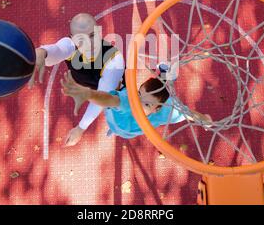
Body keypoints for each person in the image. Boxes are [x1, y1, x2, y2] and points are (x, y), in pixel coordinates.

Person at [29, 13, 125, 146]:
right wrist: (41, 52)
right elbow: (56, 50)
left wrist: (80, 128)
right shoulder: (69, 45)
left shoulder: (114, 60)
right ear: (73, 38)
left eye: (92, 35)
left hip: (112, 89)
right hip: (89, 84)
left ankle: (118, 128)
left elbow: (103, 97)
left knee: (117, 111)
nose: (89, 43)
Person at [60, 71, 212, 139]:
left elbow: (188, 114)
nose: (138, 103)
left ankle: (165, 75)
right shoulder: (129, 102)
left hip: (128, 130)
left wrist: (204, 119)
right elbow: (109, 99)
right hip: (116, 120)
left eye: (146, 104)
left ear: (156, 108)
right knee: (115, 127)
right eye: (139, 94)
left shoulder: (167, 111)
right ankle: (114, 130)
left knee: (121, 131)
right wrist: (89, 94)